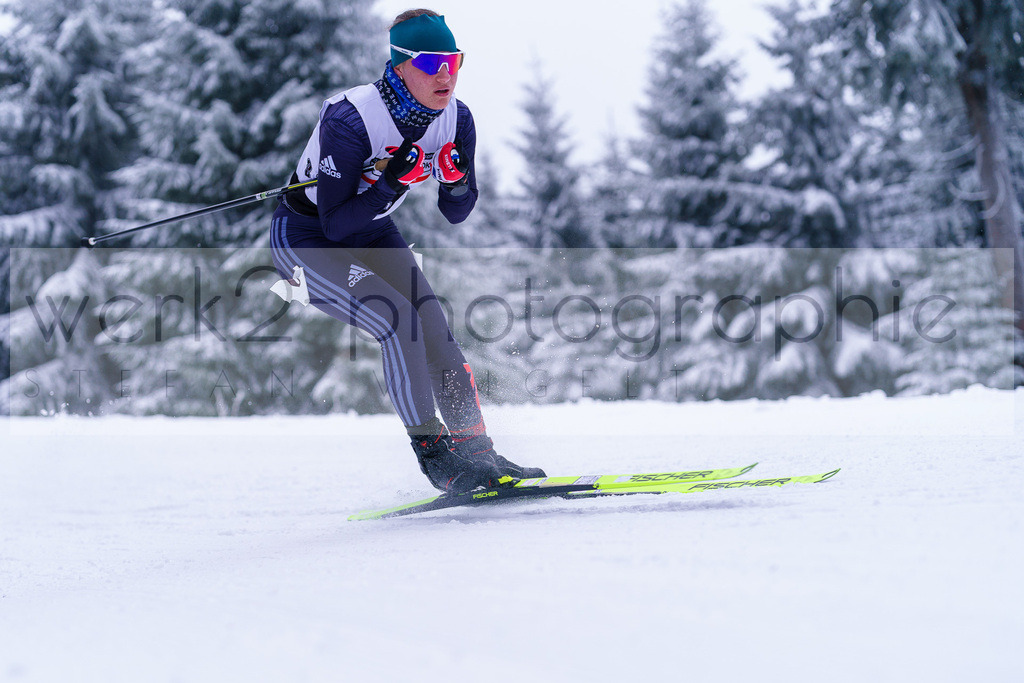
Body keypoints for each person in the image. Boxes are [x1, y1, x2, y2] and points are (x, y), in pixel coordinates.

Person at [269, 9, 545, 494]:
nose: (446, 74)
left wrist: (455, 182)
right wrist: (394, 180)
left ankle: (478, 453)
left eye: (454, 61)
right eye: (432, 62)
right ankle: (436, 455)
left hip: (371, 230)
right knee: (398, 319)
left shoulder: (457, 118)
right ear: (399, 67)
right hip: (306, 240)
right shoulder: (351, 118)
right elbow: (334, 224)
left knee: (433, 327)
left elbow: (456, 211)